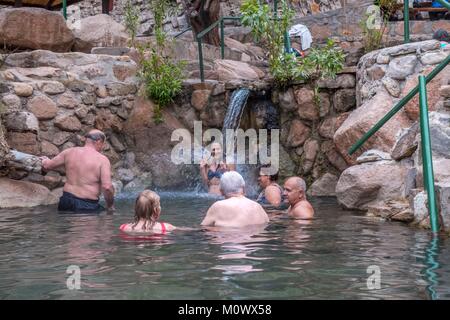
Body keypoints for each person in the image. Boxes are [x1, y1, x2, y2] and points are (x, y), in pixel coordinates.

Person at [40, 129, 114, 213]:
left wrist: (45, 160)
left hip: (66, 201)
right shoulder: (102, 160)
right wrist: (110, 206)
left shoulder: (69, 152)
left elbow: (47, 166)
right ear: (98, 141)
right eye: (103, 144)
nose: (102, 147)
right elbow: (107, 187)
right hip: (86, 205)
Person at [201, 171, 269, 228]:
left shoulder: (218, 206)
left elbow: (204, 228)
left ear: (221, 191)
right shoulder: (258, 207)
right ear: (244, 189)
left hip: (229, 242)